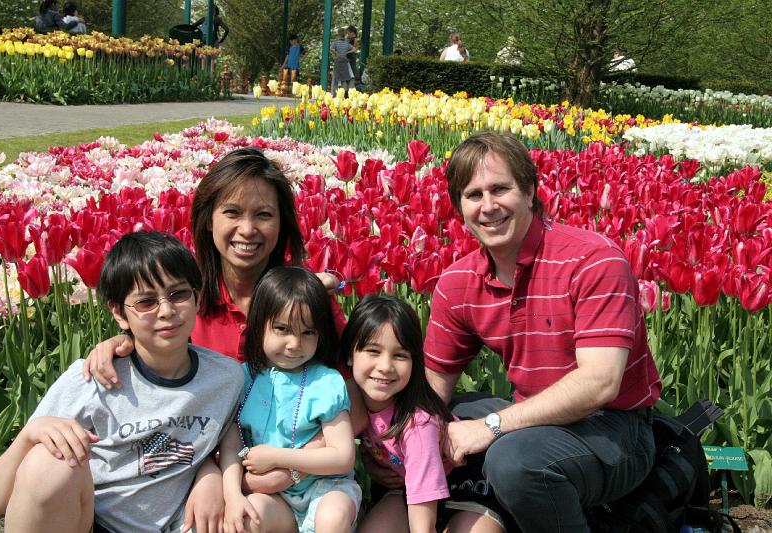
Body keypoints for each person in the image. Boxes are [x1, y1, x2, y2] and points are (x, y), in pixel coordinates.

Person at [82, 148, 367, 495]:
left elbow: (355, 402)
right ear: (208, 218)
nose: (247, 230)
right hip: (195, 475)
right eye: (232, 212)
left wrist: (292, 467)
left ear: (283, 224)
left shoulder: (307, 302)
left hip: (299, 489)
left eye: (264, 215)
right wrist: (121, 343)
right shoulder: (185, 301)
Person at [423, 131, 662, 532]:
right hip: (535, 417)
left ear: (530, 190)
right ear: (459, 207)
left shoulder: (592, 260)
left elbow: (599, 385)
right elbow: (433, 386)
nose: (488, 206)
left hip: (615, 428)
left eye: (500, 189)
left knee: (515, 461)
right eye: (473, 195)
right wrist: (409, 445)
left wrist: (490, 427)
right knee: (431, 425)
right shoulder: (459, 281)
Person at [0, 231, 244, 533]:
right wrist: (30, 434)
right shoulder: (91, 380)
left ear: (197, 297)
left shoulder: (226, 379)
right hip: (93, 523)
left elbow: (227, 442)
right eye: (146, 302)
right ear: (119, 313)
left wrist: (208, 473)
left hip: (182, 524)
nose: (167, 311)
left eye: (178, 294)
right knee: (46, 462)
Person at [347, 296, 505, 533]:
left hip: (467, 485)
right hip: (406, 488)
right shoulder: (353, 403)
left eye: (400, 355)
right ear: (349, 354)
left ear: (415, 362)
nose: (385, 366)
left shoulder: (417, 422)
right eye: (373, 351)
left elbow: (423, 528)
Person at [220, 266, 360, 533]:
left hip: (326, 488)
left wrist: (276, 456)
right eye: (282, 329)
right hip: (276, 499)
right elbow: (233, 445)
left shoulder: (326, 382)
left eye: (308, 332)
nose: (295, 344)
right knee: (248, 519)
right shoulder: (243, 378)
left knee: (331, 517)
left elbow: (342, 457)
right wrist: (233, 495)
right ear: (259, 326)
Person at [330, 27, 356, 94]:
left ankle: (334, 95)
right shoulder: (346, 43)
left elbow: (331, 48)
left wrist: (336, 53)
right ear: (344, 35)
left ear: (338, 34)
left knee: (335, 79)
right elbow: (354, 49)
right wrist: (347, 52)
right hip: (344, 62)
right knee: (343, 79)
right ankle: (343, 94)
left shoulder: (335, 42)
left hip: (338, 62)